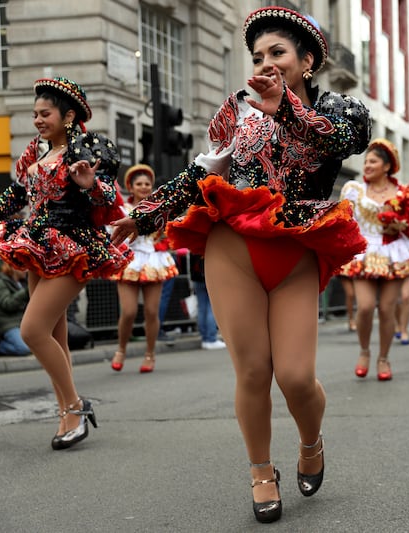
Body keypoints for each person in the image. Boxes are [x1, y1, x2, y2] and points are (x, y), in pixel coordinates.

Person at [110, 6, 370, 523]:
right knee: (253, 371)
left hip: (293, 248)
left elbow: (339, 142)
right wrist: (145, 216)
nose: (266, 63)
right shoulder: (236, 109)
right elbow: (204, 172)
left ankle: (311, 440)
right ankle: (260, 471)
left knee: (296, 377)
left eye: (278, 53)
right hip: (234, 245)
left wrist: (284, 110)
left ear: (308, 60)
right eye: (258, 56)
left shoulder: (341, 109)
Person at [0, 76, 132, 449]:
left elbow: (109, 197)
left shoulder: (84, 151)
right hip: (37, 245)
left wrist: (90, 182)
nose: (38, 120)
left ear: (68, 115)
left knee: (31, 331)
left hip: (72, 246)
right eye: (35, 114)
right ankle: (66, 414)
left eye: (46, 113)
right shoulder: (36, 155)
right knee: (55, 335)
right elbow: (12, 199)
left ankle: (76, 405)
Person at [339, 138, 409, 380]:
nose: (367, 165)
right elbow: (345, 221)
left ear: (387, 166)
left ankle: (383, 358)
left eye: (373, 161)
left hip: (392, 251)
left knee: (387, 309)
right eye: (366, 161)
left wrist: (399, 224)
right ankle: (365, 351)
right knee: (365, 307)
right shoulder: (353, 190)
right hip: (364, 249)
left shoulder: (405, 193)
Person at [109, 164, 179, 372]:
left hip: (153, 260)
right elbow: (114, 235)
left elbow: (167, 234)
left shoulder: (159, 208)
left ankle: (150, 354)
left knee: (151, 311)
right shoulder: (124, 210)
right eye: (139, 184)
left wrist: (163, 237)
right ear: (131, 187)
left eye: (147, 184)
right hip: (130, 260)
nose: (144, 187)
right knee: (129, 311)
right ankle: (121, 349)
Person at [0, 261, 31, 356]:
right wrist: (25, 293)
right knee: (23, 349)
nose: (26, 271)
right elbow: (7, 304)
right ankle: (2, 346)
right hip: (9, 324)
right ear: (13, 267)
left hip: (24, 323)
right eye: (23, 268)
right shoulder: (0, 282)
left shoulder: (24, 282)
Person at [189, 255, 226, 350]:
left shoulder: (193, 244)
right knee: (211, 307)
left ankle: (205, 338)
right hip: (209, 275)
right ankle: (211, 338)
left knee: (202, 308)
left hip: (197, 277)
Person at [394, 277, 409, 345]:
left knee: (406, 297)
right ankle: (398, 324)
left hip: (407, 269)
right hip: (390, 270)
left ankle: (404, 330)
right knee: (395, 298)